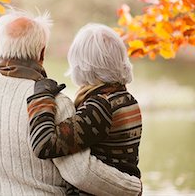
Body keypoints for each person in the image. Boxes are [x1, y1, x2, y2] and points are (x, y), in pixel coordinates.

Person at [0, 11, 142, 195]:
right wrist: (133, 187)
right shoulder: (56, 102)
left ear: (0, 45)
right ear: (42, 53)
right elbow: (79, 173)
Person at [27, 23, 143, 195]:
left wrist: (41, 97)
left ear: (82, 64)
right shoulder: (125, 98)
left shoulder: (100, 107)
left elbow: (44, 144)